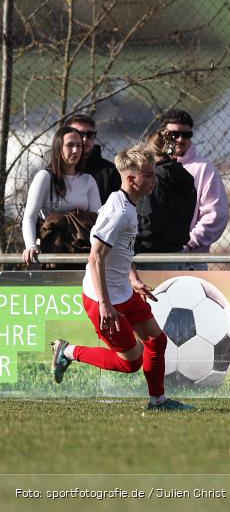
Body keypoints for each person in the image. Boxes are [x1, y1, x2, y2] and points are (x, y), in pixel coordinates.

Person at [49, 144, 193, 411]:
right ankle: (67, 351)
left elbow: (121, 251)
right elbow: (95, 258)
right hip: (103, 299)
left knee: (156, 340)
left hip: (123, 292)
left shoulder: (127, 204)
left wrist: (134, 278)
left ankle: (158, 401)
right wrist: (105, 304)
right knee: (130, 363)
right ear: (131, 178)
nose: (154, 179)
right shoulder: (119, 212)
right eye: (149, 174)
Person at [22, 126, 101, 264]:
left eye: (79, 146)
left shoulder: (88, 181)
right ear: (58, 148)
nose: (75, 150)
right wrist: (30, 246)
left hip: (82, 250)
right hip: (52, 250)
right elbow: (29, 217)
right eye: (70, 145)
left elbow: (98, 221)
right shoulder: (45, 177)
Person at [160, 109, 229, 269]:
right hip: (153, 257)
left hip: (190, 261)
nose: (180, 139)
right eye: (174, 134)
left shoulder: (204, 169)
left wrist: (189, 243)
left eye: (186, 135)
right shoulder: (150, 168)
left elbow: (216, 214)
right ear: (162, 134)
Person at [135, 131, 198, 269]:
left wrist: (131, 230)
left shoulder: (154, 179)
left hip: (152, 256)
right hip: (177, 253)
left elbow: (150, 222)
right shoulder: (185, 177)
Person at [65, 113, 121, 204]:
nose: (84, 139)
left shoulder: (110, 172)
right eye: (79, 134)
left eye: (90, 134)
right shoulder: (56, 170)